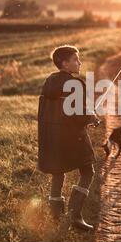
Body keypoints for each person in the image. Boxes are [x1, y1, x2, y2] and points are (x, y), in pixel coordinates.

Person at [37, 45, 99, 231]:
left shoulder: (49, 82)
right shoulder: (75, 84)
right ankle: (75, 216)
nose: (79, 62)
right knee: (88, 172)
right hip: (72, 138)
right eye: (75, 59)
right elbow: (77, 114)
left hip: (51, 137)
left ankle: (55, 219)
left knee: (58, 173)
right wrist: (92, 118)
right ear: (64, 63)